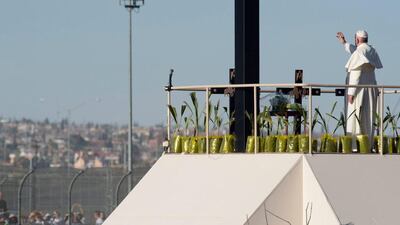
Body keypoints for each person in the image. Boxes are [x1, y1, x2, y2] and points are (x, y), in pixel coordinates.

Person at [336, 30, 383, 151]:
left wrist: (351, 93)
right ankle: (368, 145)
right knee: (369, 118)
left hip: (358, 91)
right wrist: (345, 43)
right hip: (371, 89)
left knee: (355, 117)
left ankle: (355, 146)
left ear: (357, 40)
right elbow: (357, 52)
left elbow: (355, 74)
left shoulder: (359, 52)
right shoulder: (371, 50)